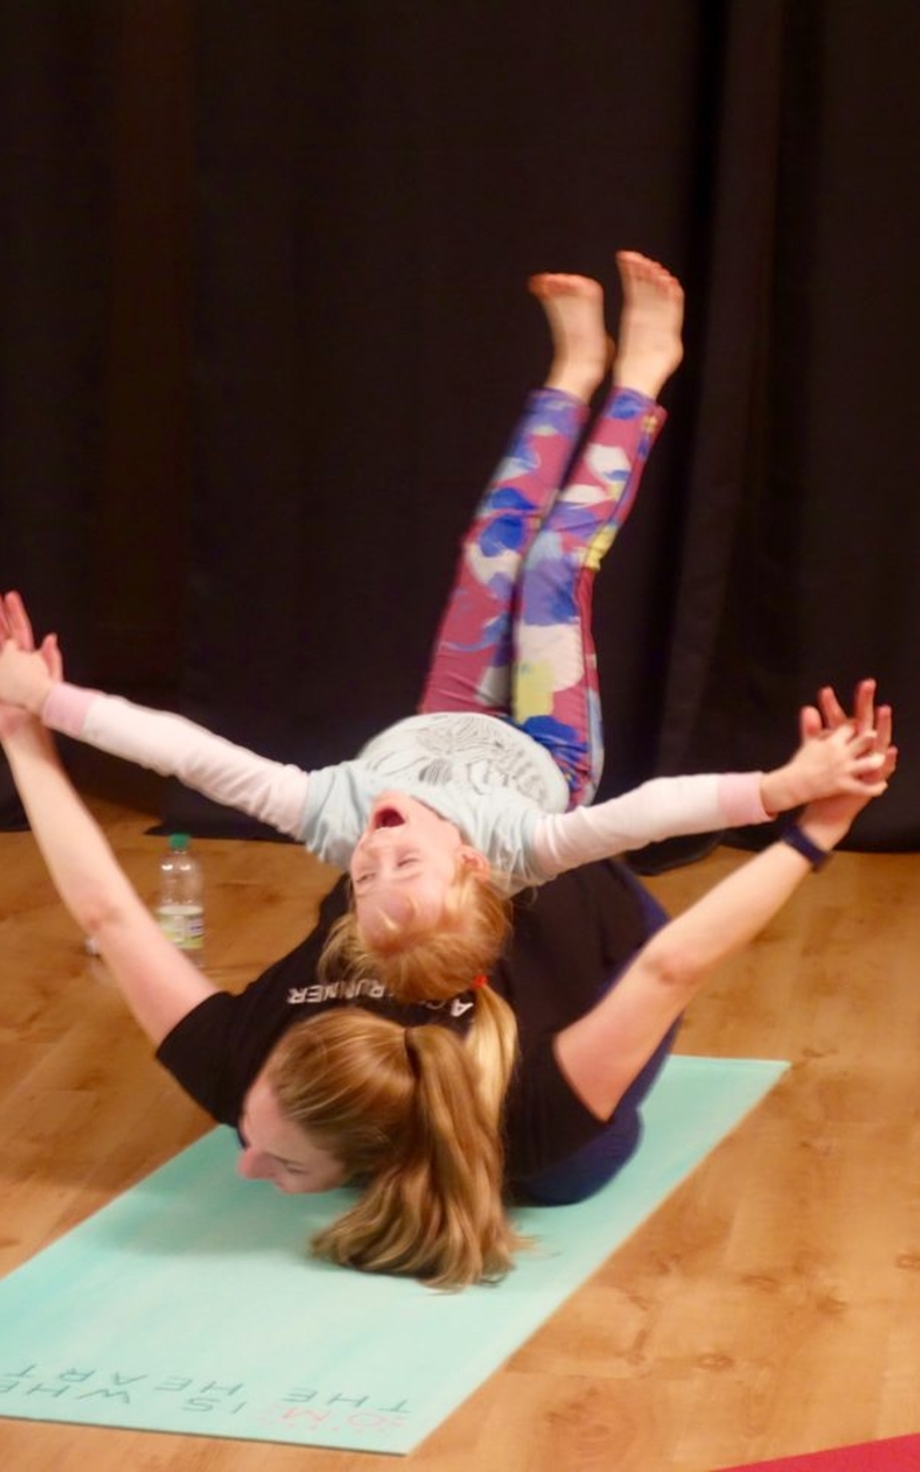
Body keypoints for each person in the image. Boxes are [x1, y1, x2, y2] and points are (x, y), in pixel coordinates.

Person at [0, 255, 889, 1003]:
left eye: (364, 876)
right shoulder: (523, 847)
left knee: (491, 548)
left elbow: (189, 755)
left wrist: (49, 700)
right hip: (549, 742)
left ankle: (575, 371)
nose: (379, 850)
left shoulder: (332, 818)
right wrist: (780, 787)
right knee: (554, 565)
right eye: (404, 866)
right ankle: (646, 369)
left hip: (450, 707)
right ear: (470, 864)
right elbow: (651, 814)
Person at [0, 593, 897, 1288]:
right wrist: (812, 832)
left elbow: (109, 914)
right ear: (374, 1155)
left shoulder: (237, 1070)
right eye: (281, 1159)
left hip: (428, 877)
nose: (243, 1161)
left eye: (256, 1140)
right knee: (566, 1177)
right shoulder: (531, 1126)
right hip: (586, 915)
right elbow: (670, 968)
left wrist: (22, 734)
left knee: (399, 887)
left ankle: (407, 882)